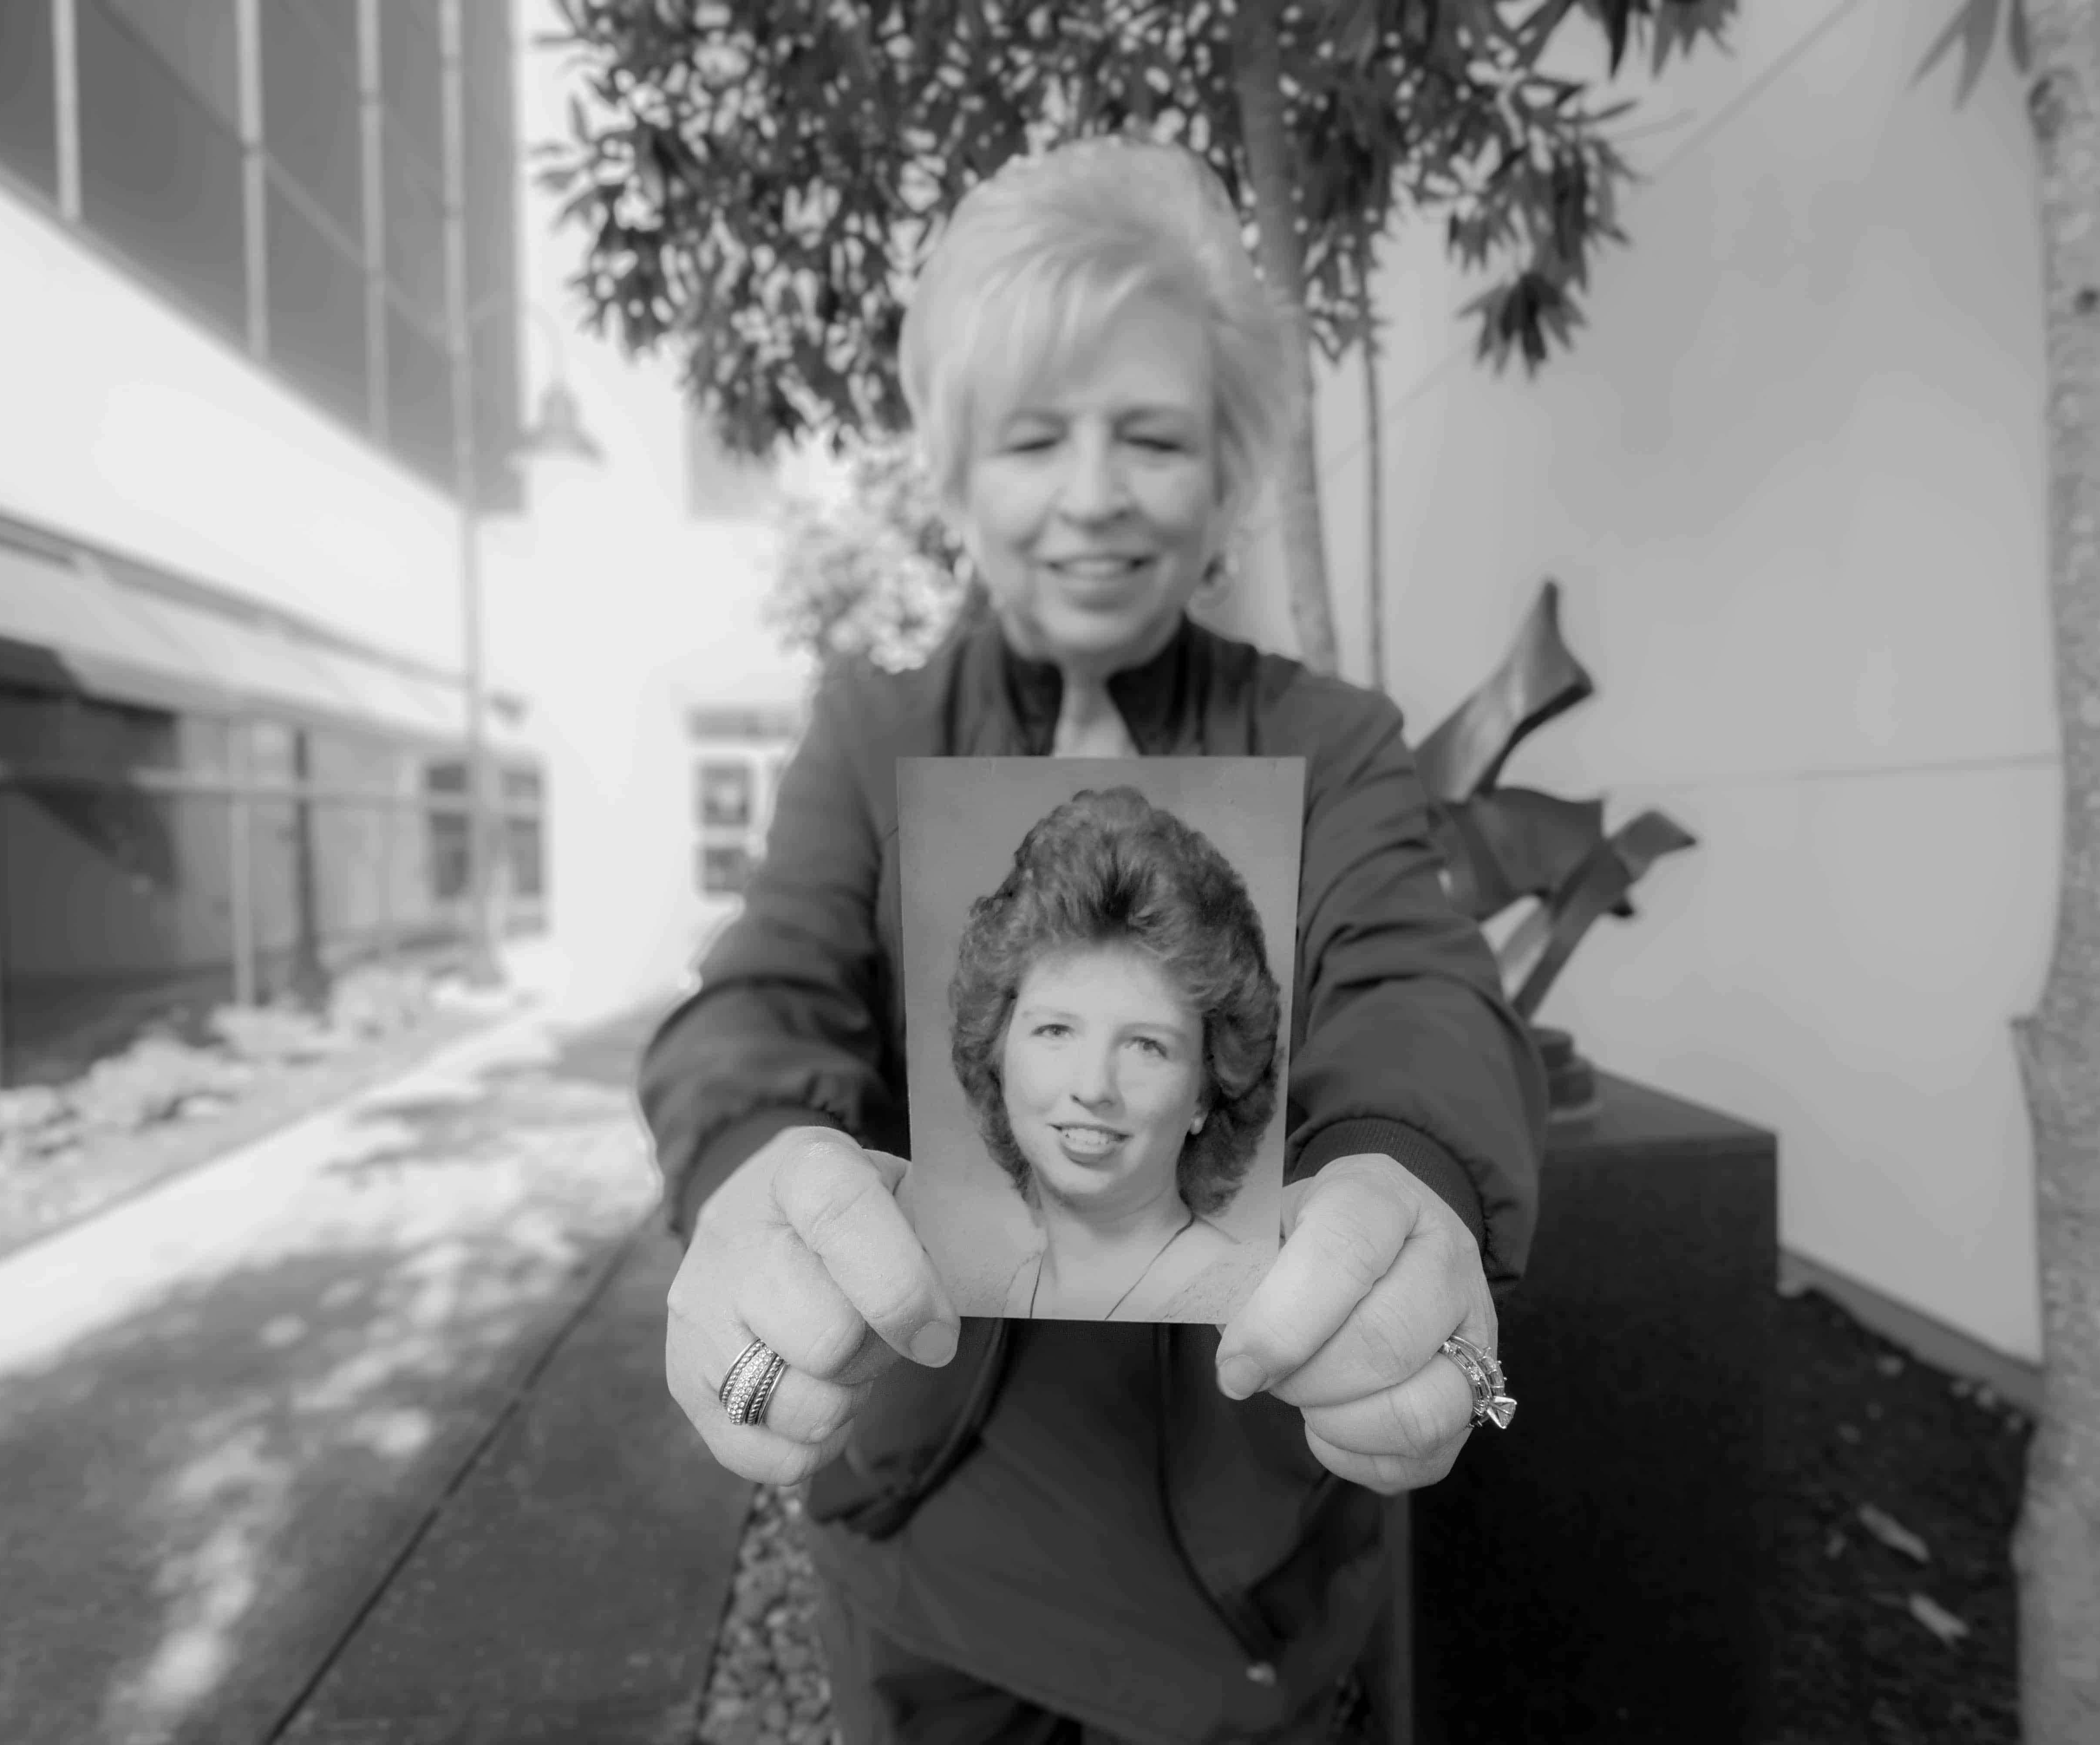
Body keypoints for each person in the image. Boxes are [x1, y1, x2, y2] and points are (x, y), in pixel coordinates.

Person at [640, 134, 1545, 1745]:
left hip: (1240, 1532)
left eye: (1149, 435)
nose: (1090, 495)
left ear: (1223, 470)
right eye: (1031, 437)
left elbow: (1402, 975)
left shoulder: (1323, 737)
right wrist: (749, 1167)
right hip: (925, 1525)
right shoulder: (870, 729)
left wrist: (1408, 1160)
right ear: (954, 471)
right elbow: (763, 993)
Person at [951, 785, 1280, 1325]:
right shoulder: (1012, 1295)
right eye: (1056, 1030)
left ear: (1206, 1089)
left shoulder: (1247, 1308)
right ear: (998, 1051)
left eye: (1146, 1045)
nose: (1093, 1086)